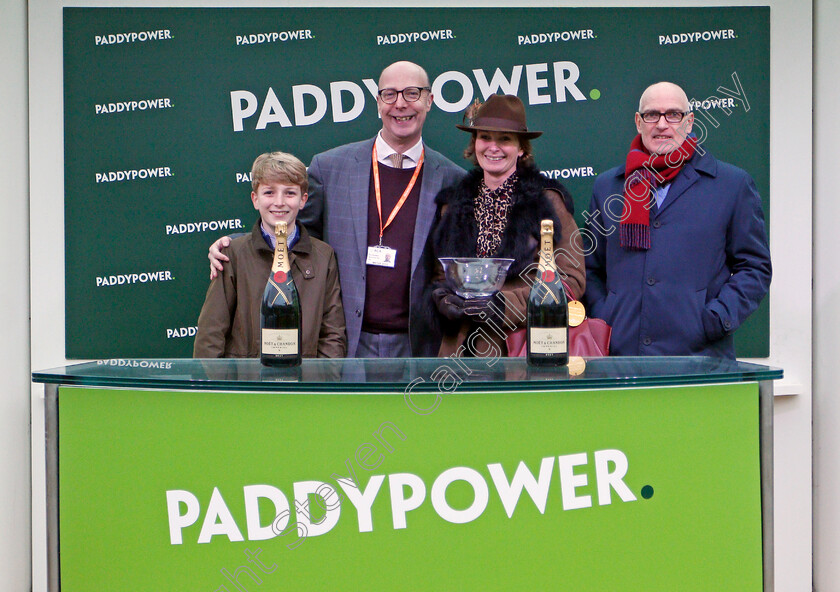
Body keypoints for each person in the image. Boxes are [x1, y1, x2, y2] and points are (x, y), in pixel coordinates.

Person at [210, 61, 465, 357]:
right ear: (378, 101)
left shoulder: (452, 179)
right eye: (390, 94)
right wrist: (234, 247)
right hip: (343, 343)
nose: (400, 104)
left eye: (412, 93)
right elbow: (295, 237)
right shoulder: (330, 167)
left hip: (418, 347)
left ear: (429, 100)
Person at [583, 81, 772, 358]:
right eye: (651, 115)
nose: (662, 124)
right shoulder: (608, 187)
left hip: (699, 358)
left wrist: (715, 319)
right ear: (638, 122)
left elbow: (755, 267)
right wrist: (606, 315)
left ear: (689, 121)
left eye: (673, 114)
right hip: (622, 359)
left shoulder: (732, 184)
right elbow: (589, 268)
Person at [427, 94, 585, 358]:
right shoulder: (453, 205)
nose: (493, 147)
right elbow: (440, 275)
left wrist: (504, 305)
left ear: (521, 148)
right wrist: (443, 299)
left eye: (505, 139)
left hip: (521, 349)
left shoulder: (547, 202)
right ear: (474, 144)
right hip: (460, 356)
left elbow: (571, 280)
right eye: (485, 137)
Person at [194, 151, 346, 358]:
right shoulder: (232, 254)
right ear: (255, 199)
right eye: (269, 193)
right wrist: (218, 388)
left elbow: (333, 334)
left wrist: (320, 383)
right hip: (246, 386)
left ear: (303, 200)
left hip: (305, 384)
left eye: (290, 193)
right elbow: (211, 332)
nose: (279, 202)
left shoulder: (323, 256)